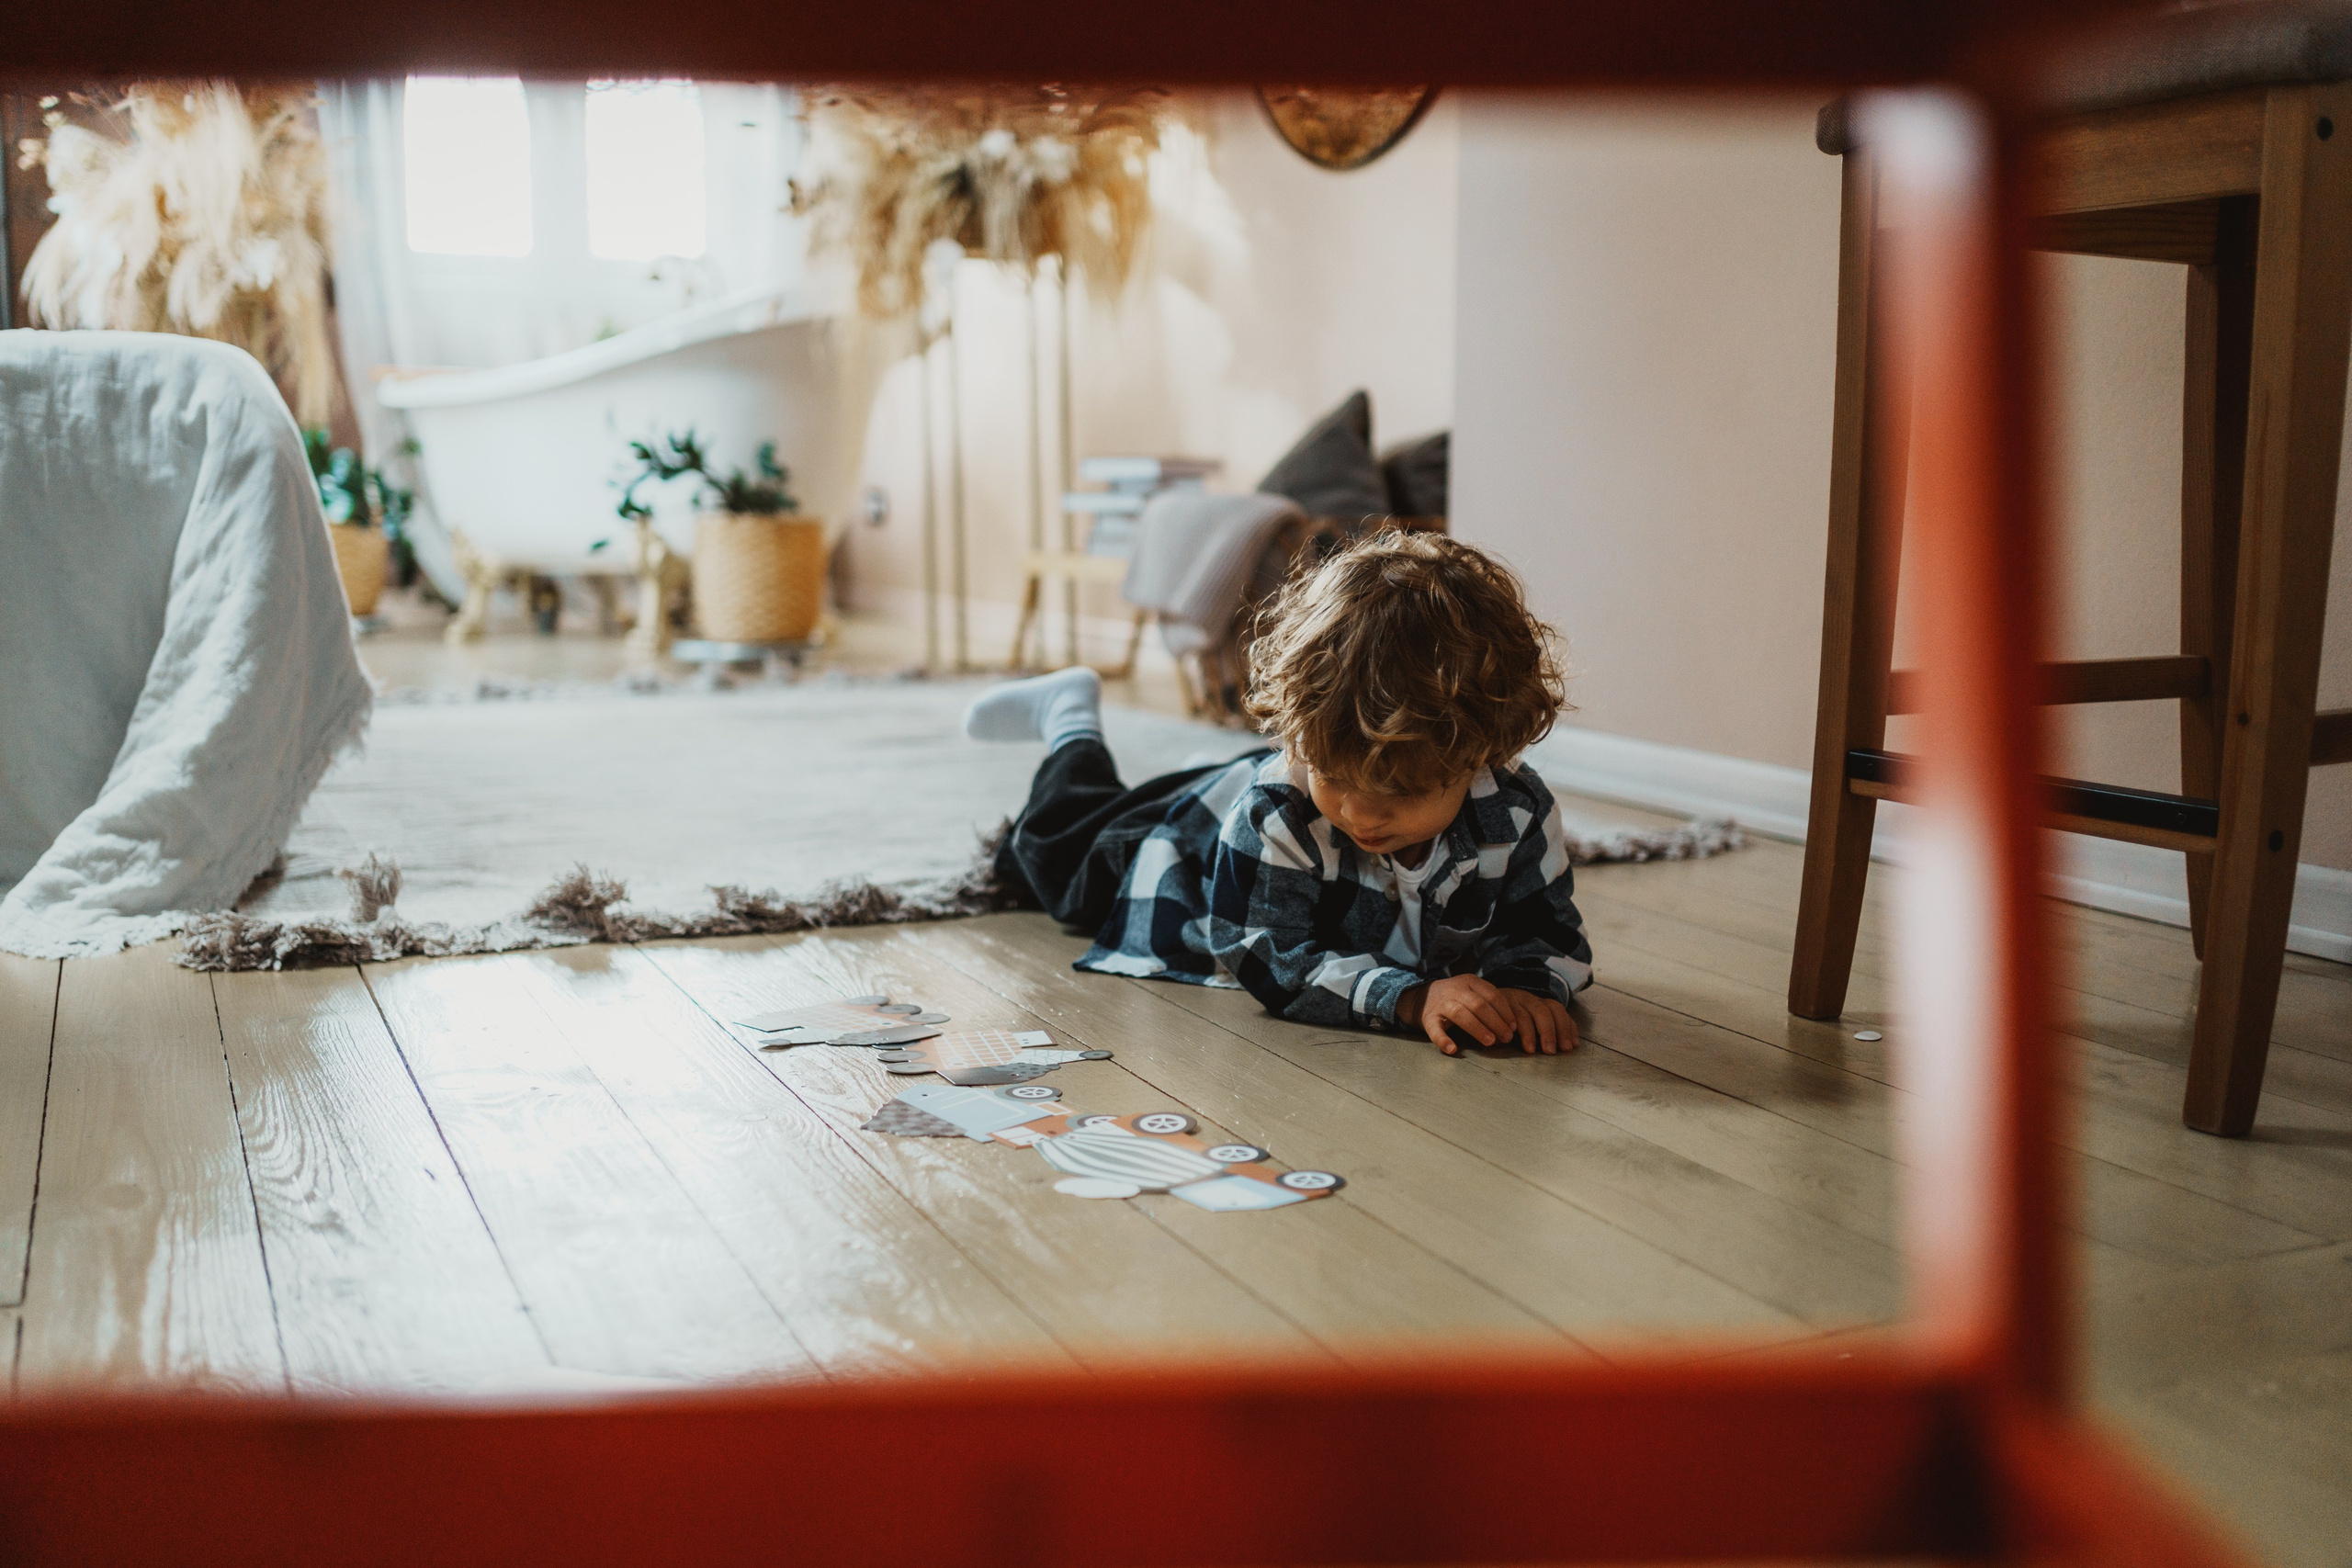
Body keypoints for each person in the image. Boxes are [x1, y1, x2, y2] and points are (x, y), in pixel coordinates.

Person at [964, 530, 1591, 1055]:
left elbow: (1545, 930)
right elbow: (1268, 953)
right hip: (1184, 847)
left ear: (1481, 755)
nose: (1361, 812)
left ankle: (1202, 769)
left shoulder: (1516, 811)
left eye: (1401, 791)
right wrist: (1409, 996)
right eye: (1336, 774)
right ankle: (1070, 718)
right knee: (1053, 857)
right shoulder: (1275, 814)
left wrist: (1527, 991)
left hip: (1246, 796)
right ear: (1302, 740)